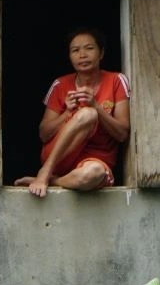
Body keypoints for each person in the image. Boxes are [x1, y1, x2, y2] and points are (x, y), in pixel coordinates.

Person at [15, 29, 130, 197]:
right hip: (59, 158)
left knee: (94, 174)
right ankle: (45, 172)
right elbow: (44, 134)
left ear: (101, 53)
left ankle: (53, 181)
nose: (82, 55)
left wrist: (96, 106)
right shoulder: (60, 84)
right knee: (87, 115)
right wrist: (67, 113)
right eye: (75, 50)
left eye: (89, 48)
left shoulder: (116, 81)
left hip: (93, 161)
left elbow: (122, 134)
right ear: (69, 56)